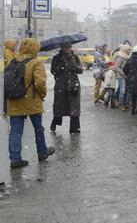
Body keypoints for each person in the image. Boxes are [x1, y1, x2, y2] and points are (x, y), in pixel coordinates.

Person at [7, 38, 55, 168]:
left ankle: (15, 158)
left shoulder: (13, 61)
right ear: (35, 49)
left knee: (15, 131)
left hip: (14, 101)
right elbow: (40, 83)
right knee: (38, 128)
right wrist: (42, 95)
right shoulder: (36, 63)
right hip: (32, 101)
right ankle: (42, 152)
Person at [49, 43, 83, 134]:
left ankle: (74, 127)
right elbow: (53, 71)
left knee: (74, 106)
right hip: (61, 85)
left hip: (73, 85)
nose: (67, 49)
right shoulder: (57, 58)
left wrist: (75, 67)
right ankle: (56, 121)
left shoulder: (75, 57)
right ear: (62, 48)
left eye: (69, 47)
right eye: (65, 47)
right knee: (59, 105)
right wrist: (61, 65)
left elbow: (81, 70)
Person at [112, 43, 132, 111]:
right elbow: (116, 67)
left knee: (127, 90)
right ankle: (121, 104)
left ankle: (126, 103)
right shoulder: (120, 57)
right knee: (122, 90)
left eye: (130, 50)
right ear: (124, 50)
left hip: (128, 76)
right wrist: (124, 74)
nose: (129, 51)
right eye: (128, 50)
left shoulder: (129, 57)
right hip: (121, 76)